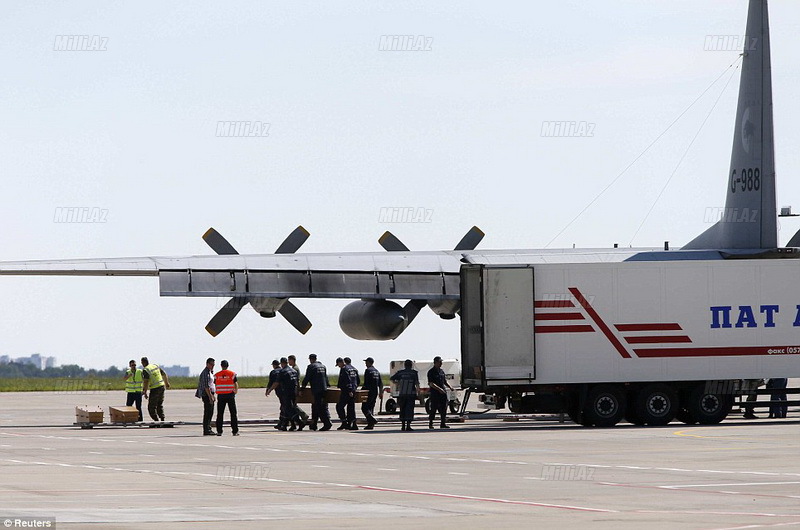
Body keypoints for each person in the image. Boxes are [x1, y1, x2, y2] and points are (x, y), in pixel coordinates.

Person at [267, 358, 306, 431]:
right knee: (291, 408)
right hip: (293, 392)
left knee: (288, 409)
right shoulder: (293, 371)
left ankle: (299, 422)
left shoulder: (283, 372)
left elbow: (276, 383)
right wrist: (298, 391)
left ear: (282, 363)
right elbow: (297, 382)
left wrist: (269, 390)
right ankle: (291, 425)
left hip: (286, 392)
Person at [301, 353, 332, 431]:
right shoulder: (323, 366)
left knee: (320, 407)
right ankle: (313, 424)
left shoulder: (311, 367)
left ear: (310, 359)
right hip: (324, 389)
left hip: (317, 390)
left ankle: (327, 423)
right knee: (315, 406)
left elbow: (307, 378)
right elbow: (326, 378)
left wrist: (302, 388)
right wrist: (328, 386)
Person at [390, 359, 421, 431]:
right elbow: (417, 383)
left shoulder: (400, 373)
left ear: (404, 365)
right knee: (409, 409)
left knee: (402, 409)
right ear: (411, 365)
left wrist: (397, 383)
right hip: (411, 394)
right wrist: (418, 393)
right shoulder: (414, 373)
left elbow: (392, 378)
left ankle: (403, 425)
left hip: (402, 393)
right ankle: (408, 426)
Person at [427, 356, 454, 429]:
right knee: (433, 408)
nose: (441, 363)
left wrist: (450, 387)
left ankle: (443, 423)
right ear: (435, 362)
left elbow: (444, 381)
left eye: (441, 362)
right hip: (435, 393)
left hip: (443, 392)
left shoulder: (441, 371)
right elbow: (431, 383)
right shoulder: (431, 372)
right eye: (440, 362)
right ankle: (431, 423)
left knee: (444, 408)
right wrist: (439, 389)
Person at [214, 360, 239, 436]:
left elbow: (215, 383)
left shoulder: (217, 375)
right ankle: (235, 431)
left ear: (221, 366)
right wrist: (235, 391)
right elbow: (235, 383)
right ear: (228, 365)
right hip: (230, 395)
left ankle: (219, 431)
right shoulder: (232, 374)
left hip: (221, 395)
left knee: (220, 414)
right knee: (233, 413)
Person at [141, 357, 170, 422]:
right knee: (159, 404)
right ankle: (162, 419)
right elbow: (164, 374)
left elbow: (146, 381)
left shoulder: (146, 370)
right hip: (162, 387)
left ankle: (156, 421)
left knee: (151, 407)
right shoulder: (155, 366)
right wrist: (166, 383)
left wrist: (144, 392)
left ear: (143, 363)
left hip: (155, 389)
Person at [336, 357, 360, 430]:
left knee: (339, 407)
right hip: (353, 390)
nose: (339, 366)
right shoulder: (354, 369)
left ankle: (344, 422)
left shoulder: (344, 369)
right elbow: (358, 381)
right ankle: (352, 424)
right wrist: (353, 389)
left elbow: (347, 380)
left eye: (338, 364)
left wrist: (349, 390)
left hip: (346, 391)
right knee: (351, 408)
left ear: (341, 362)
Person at [287, 355, 310, 429]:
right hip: (295, 388)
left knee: (293, 406)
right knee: (293, 406)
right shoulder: (294, 368)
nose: (288, 362)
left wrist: (298, 390)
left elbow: (297, 380)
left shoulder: (295, 369)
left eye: (289, 360)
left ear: (292, 360)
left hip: (295, 388)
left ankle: (304, 415)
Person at [195, 357, 215, 435]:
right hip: (206, 394)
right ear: (207, 364)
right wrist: (210, 396)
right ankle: (206, 429)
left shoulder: (210, 372)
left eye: (213, 365)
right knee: (208, 412)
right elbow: (206, 386)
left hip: (211, 393)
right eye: (211, 364)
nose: (212, 366)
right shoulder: (205, 373)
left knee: (211, 412)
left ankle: (208, 427)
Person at [361, 357, 382, 430]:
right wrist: (381, 392)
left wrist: (362, 391)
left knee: (364, 408)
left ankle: (371, 419)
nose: (365, 364)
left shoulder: (368, 370)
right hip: (375, 391)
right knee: (371, 407)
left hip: (369, 391)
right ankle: (370, 424)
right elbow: (380, 383)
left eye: (366, 362)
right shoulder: (376, 371)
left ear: (369, 362)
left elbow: (366, 383)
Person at [266, 360, 284, 430]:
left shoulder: (273, 372)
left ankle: (282, 423)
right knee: (284, 406)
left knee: (284, 407)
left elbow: (271, 382)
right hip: (285, 390)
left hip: (279, 391)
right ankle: (282, 423)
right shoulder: (283, 370)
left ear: (274, 365)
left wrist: (268, 390)